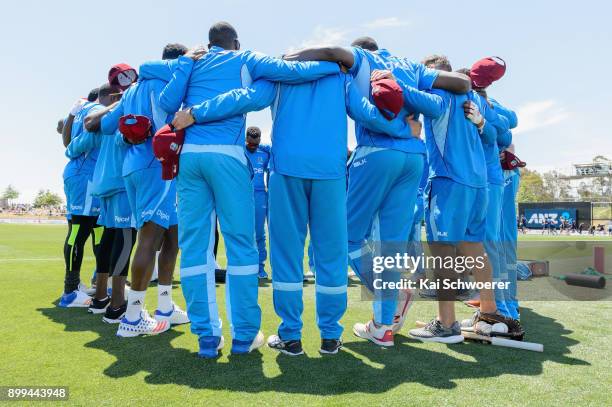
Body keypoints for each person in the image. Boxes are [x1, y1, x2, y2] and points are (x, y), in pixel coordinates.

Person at [159, 21, 342, 358]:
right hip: (227, 157)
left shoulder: (192, 62)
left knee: (194, 248)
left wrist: (185, 64)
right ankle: (243, 336)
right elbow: (291, 74)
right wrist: (337, 63)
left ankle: (206, 338)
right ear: (236, 43)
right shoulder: (248, 59)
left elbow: (167, 100)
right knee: (242, 247)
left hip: (189, 160)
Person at [284, 37, 471, 346]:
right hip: (414, 158)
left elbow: (331, 52)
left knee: (345, 236)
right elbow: (462, 83)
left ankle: (390, 295)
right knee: (392, 245)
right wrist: (408, 92)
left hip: (376, 153)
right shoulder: (410, 65)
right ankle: (382, 327)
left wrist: (291, 55)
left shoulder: (360, 58)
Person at [99, 44, 200, 337]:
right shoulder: (168, 80)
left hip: (134, 167)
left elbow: (108, 126)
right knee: (149, 238)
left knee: (172, 235)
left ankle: (165, 306)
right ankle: (132, 318)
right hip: (157, 165)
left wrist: (127, 136)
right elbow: (172, 109)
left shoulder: (132, 90)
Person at [82, 81, 137, 323]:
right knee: (124, 238)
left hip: (103, 183)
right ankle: (117, 305)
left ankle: (101, 297)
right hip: (120, 183)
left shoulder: (101, 118)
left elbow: (78, 141)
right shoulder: (122, 113)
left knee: (109, 238)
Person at [58, 91, 105, 307]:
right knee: (78, 229)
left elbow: (63, 132)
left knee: (97, 230)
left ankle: (98, 280)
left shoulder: (81, 110)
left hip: (87, 176)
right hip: (85, 176)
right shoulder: (95, 110)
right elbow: (72, 145)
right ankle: (70, 290)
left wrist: (70, 115)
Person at [244, 126, 271, 279]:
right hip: (244, 196)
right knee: (244, 232)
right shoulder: (240, 150)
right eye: (250, 144)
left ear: (259, 140)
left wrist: (264, 146)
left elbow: (276, 151)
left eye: (256, 144)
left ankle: (260, 267)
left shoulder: (264, 152)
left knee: (260, 234)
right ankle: (246, 265)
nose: (253, 147)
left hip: (261, 196)